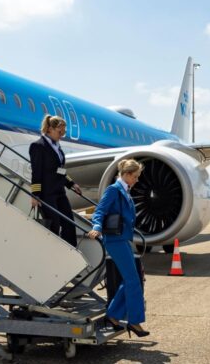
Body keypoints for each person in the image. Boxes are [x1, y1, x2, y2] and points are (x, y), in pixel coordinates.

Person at [87, 159, 149, 338]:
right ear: (127, 175)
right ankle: (134, 322)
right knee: (133, 280)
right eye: (135, 177)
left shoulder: (125, 190)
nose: (137, 180)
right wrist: (97, 227)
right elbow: (100, 210)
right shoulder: (114, 190)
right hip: (115, 241)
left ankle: (113, 315)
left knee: (132, 279)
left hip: (123, 239)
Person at [29, 115, 82, 247]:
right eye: (60, 132)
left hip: (59, 192)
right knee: (54, 224)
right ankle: (53, 253)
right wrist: (35, 195)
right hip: (47, 193)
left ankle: (70, 252)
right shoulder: (38, 146)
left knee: (69, 223)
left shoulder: (57, 147)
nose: (62, 135)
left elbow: (60, 170)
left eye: (63, 132)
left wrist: (71, 183)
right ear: (50, 129)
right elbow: (36, 172)